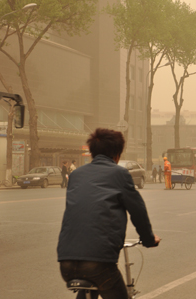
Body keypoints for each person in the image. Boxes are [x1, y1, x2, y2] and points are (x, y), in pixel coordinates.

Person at [57, 128, 161, 299]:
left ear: (92, 153)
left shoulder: (76, 175)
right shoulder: (119, 174)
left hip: (66, 263)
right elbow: (138, 211)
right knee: (102, 278)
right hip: (99, 264)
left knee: (88, 282)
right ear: (117, 155)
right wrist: (149, 239)